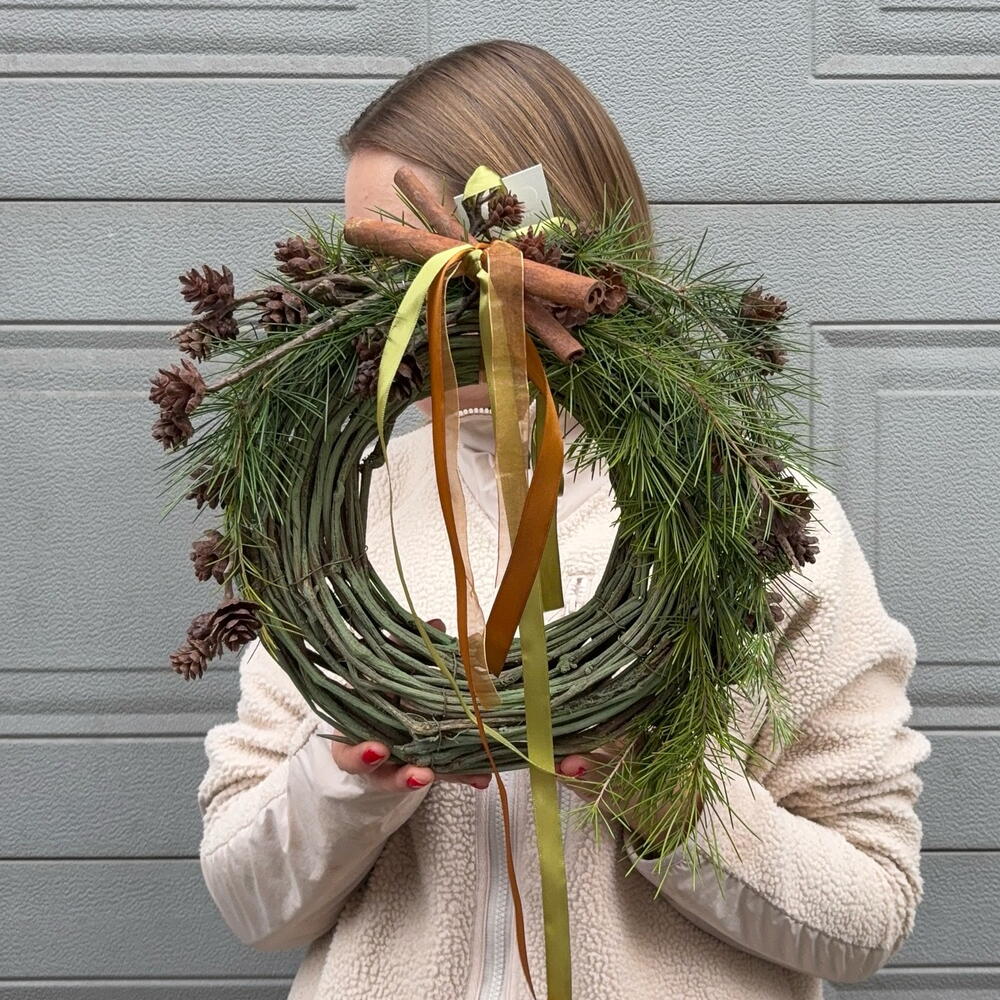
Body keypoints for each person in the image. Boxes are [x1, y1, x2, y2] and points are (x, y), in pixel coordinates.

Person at [196, 39, 931, 1000]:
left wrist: (662, 796)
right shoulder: (340, 516)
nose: (375, 304)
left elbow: (869, 915)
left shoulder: (763, 522)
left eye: (408, 260)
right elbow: (253, 909)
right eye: (363, 261)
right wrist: (343, 781)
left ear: (544, 243)